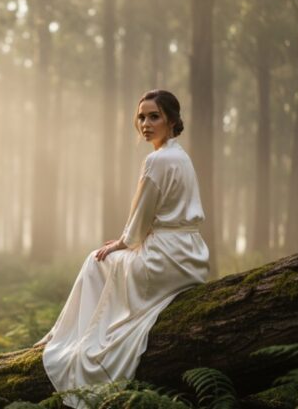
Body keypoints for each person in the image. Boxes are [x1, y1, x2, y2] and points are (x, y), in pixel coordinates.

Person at [34, 89, 210, 408]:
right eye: (141, 116)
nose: (145, 123)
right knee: (106, 261)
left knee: (95, 261)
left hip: (163, 259)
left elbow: (140, 221)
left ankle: (66, 339)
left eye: (154, 116)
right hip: (191, 256)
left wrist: (121, 243)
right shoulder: (180, 155)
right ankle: (67, 334)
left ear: (172, 120)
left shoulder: (156, 160)